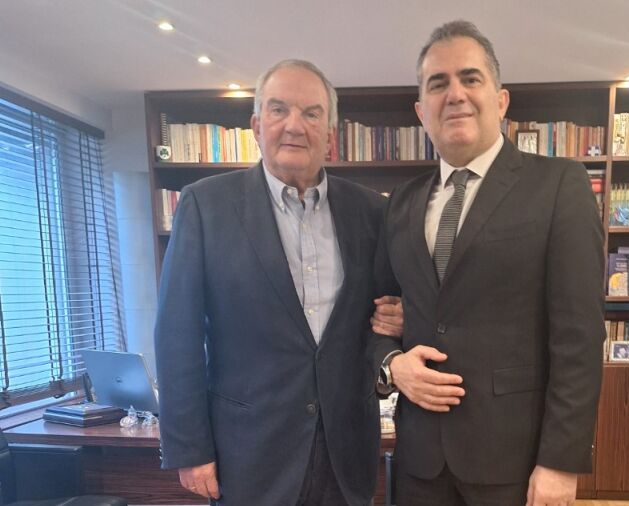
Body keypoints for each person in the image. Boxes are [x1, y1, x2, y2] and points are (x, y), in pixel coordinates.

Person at [372, 20, 605, 506]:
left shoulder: (559, 185)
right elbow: (379, 317)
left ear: (500, 100)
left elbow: (578, 337)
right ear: (421, 111)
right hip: (419, 461)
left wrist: (560, 462)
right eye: (438, 83)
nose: (455, 94)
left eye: (470, 78)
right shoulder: (401, 204)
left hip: (514, 462)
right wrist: (393, 365)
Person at [154, 59, 402, 506]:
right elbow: (177, 335)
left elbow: (383, 313)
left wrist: (399, 320)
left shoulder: (372, 212)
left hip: (346, 453)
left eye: (311, 113)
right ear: (256, 125)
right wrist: (190, 449)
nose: (294, 125)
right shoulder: (206, 206)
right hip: (248, 455)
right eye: (278, 109)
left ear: (330, 133)